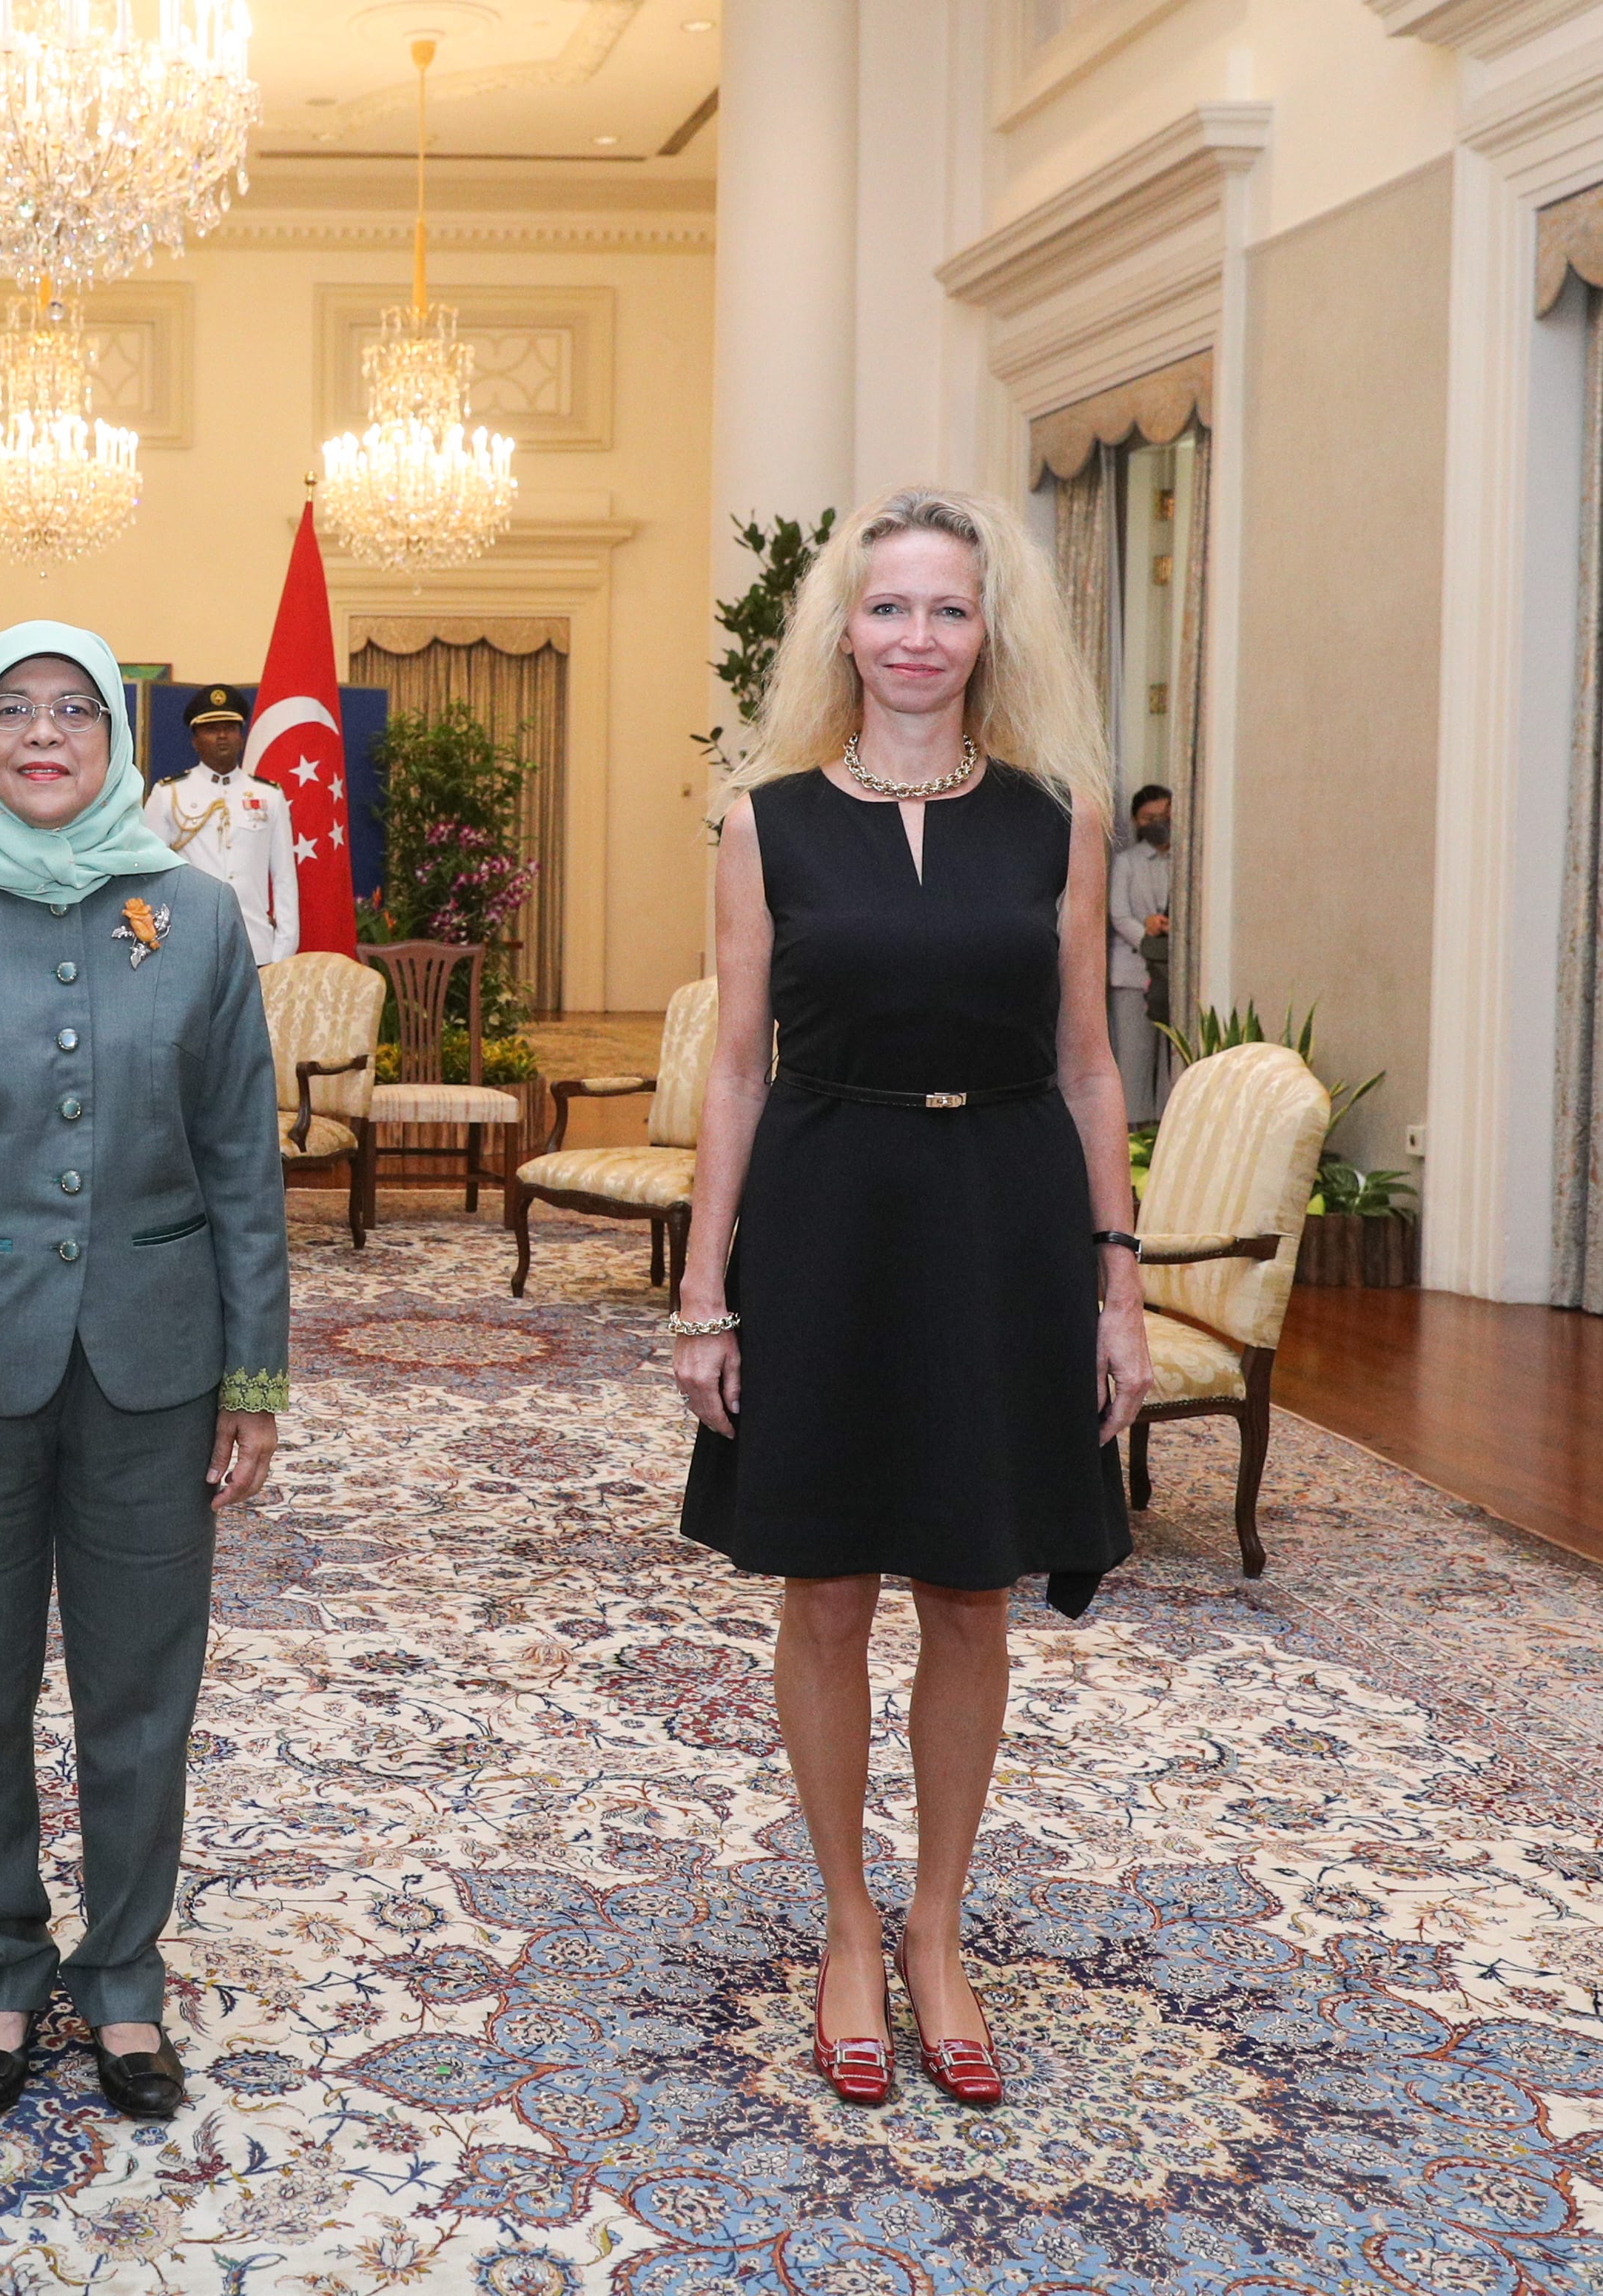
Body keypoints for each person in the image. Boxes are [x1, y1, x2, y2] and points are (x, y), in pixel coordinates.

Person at [670, 487, 1147, 2112]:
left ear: (984, 632)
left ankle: (937, 1927)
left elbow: (1088, 1063)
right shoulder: (765, 820)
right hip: (823, 1215)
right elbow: (734, 1071)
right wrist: (700, 1289)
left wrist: (1116, 1286)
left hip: (1002, 1221)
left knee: (966, 1588)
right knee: (821, 1591)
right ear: (843, 630)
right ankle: (848, 1930)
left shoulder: (1055, 818)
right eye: (888, 610)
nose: (917, 640)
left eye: (947, 611)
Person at [0, 620, 289, 2126]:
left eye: (70, 710)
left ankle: (127, 1976)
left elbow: (240, 1168)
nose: (39, 735)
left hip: (154, 1366)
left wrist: (253, 1374)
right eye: (8, 711)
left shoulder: (199, 916)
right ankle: (3, 1965)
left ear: (114, 736)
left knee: (139, 1687)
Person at [141, 684, 300, 966]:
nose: (223, 736)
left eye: (230, 727)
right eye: (212, 729)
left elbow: (285, 877)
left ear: (242, 737)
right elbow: (149, 874)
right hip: (188, 943)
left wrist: (283, 953)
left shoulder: (269, 796)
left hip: (255, 943)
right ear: (195, 740)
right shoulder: (168, 794)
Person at [1108, 784, 1175, 1124]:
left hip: (1176, 972)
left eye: (1164, 815)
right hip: (1134, 971)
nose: (1158, 822)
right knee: (1135, 1056)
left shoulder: (1185, 859)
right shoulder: (1126, 862)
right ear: (1136, 820)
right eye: (1149, 817)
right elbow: (1118, 914)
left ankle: (1167, 1129)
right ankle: (1133, 1132)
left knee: (1172, 1058)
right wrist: (1147, 932)